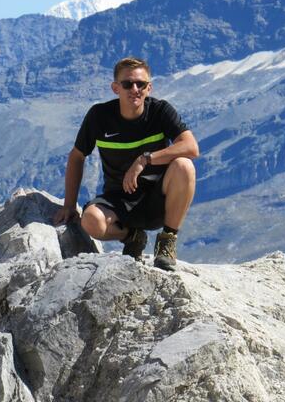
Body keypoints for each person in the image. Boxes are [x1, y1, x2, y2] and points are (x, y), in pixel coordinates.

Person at [53, 57, 199, 271]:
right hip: (119, 199)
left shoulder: (160, 111)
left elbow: (191, 147)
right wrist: (69, 205)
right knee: (91, 221)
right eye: (127, 84)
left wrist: (145, 159)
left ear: (149, 88)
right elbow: (77, 156)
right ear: (116, 88)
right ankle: (132, 237)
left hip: (158, 199)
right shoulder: (99, 116)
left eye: (141, 84)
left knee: (184, 165)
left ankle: (167, 242)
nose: (135, 89)